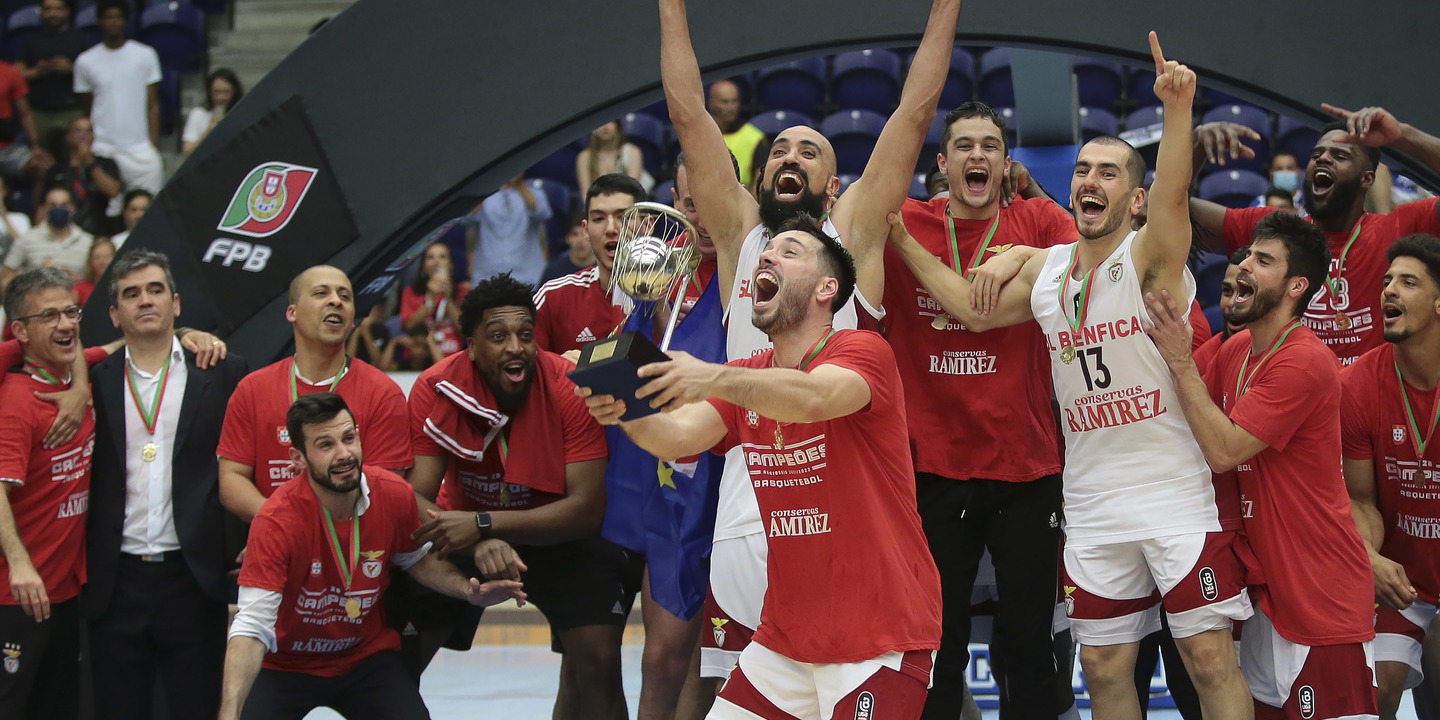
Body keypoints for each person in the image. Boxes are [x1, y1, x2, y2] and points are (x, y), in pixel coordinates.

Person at [886, 34, 1255, 720]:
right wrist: (910, 240)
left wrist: (1178, 112)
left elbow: (1174, 192)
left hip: (1172, 492)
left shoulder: (1151, 259)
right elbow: (970, 308)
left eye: (1110, 173)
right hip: (1090, 500)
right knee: (1102, 666)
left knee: (1208, 659)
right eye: (1083, 169)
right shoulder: (1048, 270)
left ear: (1136, 199)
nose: (1090, 180)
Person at [660, 2, 957, 710]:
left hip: (849, 510)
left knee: (866, 671)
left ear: (833, 186)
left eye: (809, 151)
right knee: (734, 685)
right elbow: (688, 115)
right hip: (753, 503)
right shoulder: (739, 234)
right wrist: (671, 10)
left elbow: (914, 112)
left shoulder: (851, 235)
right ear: (760, 181)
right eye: (778, 152)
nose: (789, 157)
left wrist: (945, 8)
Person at [577, 215, 942, 720]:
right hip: (785, 641)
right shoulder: (748, 375)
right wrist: (626, 413)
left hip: (879, 638)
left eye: (790, 252)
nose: (768, 256)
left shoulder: (863, 351)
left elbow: (814, 398)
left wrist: (710, 376)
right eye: (767, 252)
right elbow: (678, 437)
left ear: (826, 288)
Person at [885, 99, 1075, 720]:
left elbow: (1094, 256)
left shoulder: (1041, 222)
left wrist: (1018, 254)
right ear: (943, 164)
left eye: (989, 146)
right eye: (964, 145)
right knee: (939, 646)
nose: (977, 156)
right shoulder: (908, 219)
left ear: (1006, 164)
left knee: (1027, 645)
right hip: (933, 467)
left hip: (1025, 464)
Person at [1146, 211, 1376, 719]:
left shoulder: (1305, 361)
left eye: (1263, 260)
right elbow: (1165, 402)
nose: (1244, 265)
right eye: (1248, 253)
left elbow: (1224, 448)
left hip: (1320, 595)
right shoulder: (1238, 350)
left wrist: (1183, 360)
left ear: (1296, 286)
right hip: (1266, 594)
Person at [406, 274, 638, 719]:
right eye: (497, 336)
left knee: (600, 664)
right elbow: (413, 499)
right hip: (467, 538)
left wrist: (486, 523)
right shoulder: (435, 386)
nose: (515, 347)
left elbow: (586, 509)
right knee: (396, 653)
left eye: (525, 335)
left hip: (559, 537)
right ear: (470, 346)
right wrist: (479, 538)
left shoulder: (571, 382)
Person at [218, 393, 525, 720]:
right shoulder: (275, 520)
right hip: (285, 665)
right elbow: (251, 626)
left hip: (364, 660)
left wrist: (468, 592)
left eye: (349, 438)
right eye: (325, 445)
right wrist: (229, 713)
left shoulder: (393, 494)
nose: (344, 454)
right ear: (299, 458)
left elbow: (417, 560)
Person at [83, 249, 248, 720]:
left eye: (155, 290)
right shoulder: (93, 381)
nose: (145, 300)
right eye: (131, 294)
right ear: (115, 315)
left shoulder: (222, 372)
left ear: (176, 303)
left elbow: (248, 464)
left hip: (192, 577)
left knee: (195, 708)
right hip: (115, 579)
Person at [1190, 104, 1440, 366]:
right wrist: (1196, 148)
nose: (1323, 159)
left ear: (1366, 179)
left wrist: (1404, 135)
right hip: (1295, 390)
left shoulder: (1398, 227)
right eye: (1317, 154)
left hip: (1370, 398)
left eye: (1340, 156)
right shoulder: (1276, 231)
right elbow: (1168, 213)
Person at [217, 266, 412, 524]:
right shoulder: (252, 389)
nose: (335, 300)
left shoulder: (383, 393)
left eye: (345, 297)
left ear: (353, 320)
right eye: (321, 293)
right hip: (276, 544)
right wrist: (281, 528)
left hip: (354, 554)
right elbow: (232, 479)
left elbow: (387, 490)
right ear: (292, 312)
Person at [1342, 233, 1440, 720]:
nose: (1388, 291)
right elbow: (1360, 500)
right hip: (1402, 584)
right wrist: (1368, 558)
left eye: (1408, 281)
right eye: (1385, 282)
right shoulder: (1359, 383)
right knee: (1373, 693)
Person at [0, 267, 103, 720]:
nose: (65, 324)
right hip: (17, 595)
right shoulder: (18, 402)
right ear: (19, 330)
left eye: (70, 312)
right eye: (49, 317)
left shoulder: (68, 384)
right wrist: (19, 564)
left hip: (63, 593)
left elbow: (109, 347)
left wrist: (190, 333)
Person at [533, 173, 647, 354]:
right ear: (586, 230)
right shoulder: (553, 297)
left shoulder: (676, 293)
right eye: (599, 219)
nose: (611, 228)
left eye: (623, 217)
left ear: (647, 226)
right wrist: (558, 366)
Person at [73, 0, 163, 195]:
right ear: (100, 22)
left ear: (125, 21)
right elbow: (87, 107)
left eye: (117, 17)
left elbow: (153, 103)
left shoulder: (145, 55)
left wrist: (153, 143)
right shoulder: (85, 61)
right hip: (103, 148)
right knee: (107, 215)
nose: (113, 22)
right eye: (108, 18)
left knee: (146, 209)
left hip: (140, 149)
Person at [19, 0, 91, 164]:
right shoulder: (31, 41)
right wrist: (38, 71)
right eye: (48, 9)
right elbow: (17, 75)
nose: (53, 13)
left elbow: (95, 73)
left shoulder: (81, 39)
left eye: (58, 9)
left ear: (66, 11)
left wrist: (71, 69)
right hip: (40, 114)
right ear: (42, 12)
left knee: (75, 162)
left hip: (72, 111)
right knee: (43, 165)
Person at [42, 116, 123, 238]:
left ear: (93, 137)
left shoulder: (106, 164)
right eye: (78, 130)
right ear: (68, 137)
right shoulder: (56, 170)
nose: (83, 135)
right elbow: (42, 206)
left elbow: (113, 191)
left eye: (88, 130)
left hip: (97, 230)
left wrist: (90, 162)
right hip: (62, 231)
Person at [0, 185, 94, 287]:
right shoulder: (27, 239)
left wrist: (77, 278)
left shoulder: (88, 242)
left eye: (64, 205)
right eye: (53, 205)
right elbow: (5, 278)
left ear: (73, 208)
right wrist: (39, 275)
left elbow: (97, 279)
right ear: (44, 208)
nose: (58, 209)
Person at [469, 174, 552, 289]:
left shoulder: (535, 192)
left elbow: (542, 213)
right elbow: (467, 218)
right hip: (488, 277)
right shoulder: (485, 194)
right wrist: (486, 187)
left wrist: (519, 185)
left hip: (528, 278)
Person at [398, 241, 467, 370]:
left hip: (454, 360)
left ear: (451, 265)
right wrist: (431, 298)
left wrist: (448, 298)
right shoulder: (411, 292)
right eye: (430, 258)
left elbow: (465, 331)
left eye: (442, 257)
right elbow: (409, 326)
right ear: (423, 266)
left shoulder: (463, 292)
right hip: (419, 361)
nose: (436, 262)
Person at [1193, 246, 1252, 373]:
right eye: (1227, 291)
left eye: (1246, 292)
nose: (1231, 303)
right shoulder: (1204, 360)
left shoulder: (1293, 353)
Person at [707, 79, 766, 189]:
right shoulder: (701, 137)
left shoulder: (755, 138)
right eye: (724, 102)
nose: (730, 108)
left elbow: (759, 183)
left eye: (734, 101)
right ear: (711, 103)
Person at [0, 58, 49, 184]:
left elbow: (25, 113)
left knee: (41, 165)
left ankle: (41, 204)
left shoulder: (10, 72)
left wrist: (35, 145)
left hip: (6, 149)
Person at [181, 68, 243, 158]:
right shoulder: (198, 114)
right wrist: (209, 131)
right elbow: (187, 152)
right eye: (217, 92)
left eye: (226, 92)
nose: (221, 98)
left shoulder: (240, 115)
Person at [576, 120, 649, 195]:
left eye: (610, 122)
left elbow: (633, 190)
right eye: (600, 123)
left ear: (618, 126)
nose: (605, 127)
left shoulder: (632, 152)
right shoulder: (585, 157)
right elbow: (586, 194)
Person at [540, 213, 596, 285]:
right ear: (567, 238)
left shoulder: (606, 270)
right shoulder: (554, 272)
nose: (580, 240)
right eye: (575, 234)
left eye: (584, 233)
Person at [72, 236, 113, 304]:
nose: (102, 261)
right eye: (97, 257)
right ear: (90, 261)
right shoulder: (79, 289)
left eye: (107, 256)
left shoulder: (120, 287)